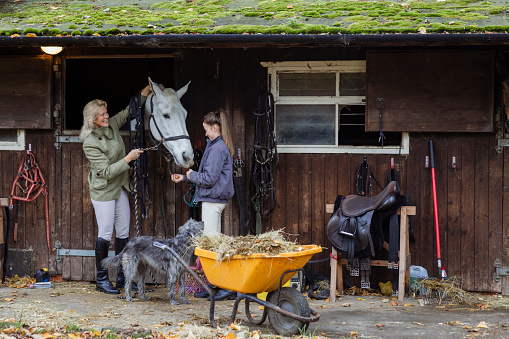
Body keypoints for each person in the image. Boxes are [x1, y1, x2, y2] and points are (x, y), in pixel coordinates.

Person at [80, 85, 151, 294]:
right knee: (105, 233)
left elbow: (129, 110)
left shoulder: (112, 126)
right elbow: (105, 170)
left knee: (123, 232)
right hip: (103, 190)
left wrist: (147, 90)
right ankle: (102, 279)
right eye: (102, 114)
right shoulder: (90, 143)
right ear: (93, 119)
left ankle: (122, 276)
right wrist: (128, 159)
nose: (107, 116)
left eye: (106, 112)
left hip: (120, 186)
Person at [171, 109, 235, 300]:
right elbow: (207, 177)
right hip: (212, 198)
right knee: (212, 243)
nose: (205, 133)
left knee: (211, 245)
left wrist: (191, 175)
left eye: (207, 129)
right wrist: (184, 177)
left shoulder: (217, 148)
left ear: (215, 127)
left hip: (212, 200)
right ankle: (216, 285)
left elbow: (209, 178)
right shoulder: (216, 145)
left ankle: (222, 286)